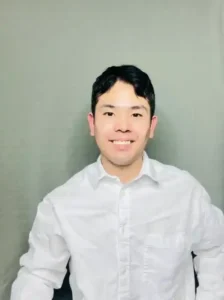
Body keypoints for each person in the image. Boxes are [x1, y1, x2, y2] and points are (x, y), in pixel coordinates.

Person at [11, 65, 224, 300]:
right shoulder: (60, 204)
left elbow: (216, 250)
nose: (123, 126)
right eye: (109, 113)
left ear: (151, 126)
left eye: (136, 114)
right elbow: (37, 275)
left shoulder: (186, 192)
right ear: (92, 123)